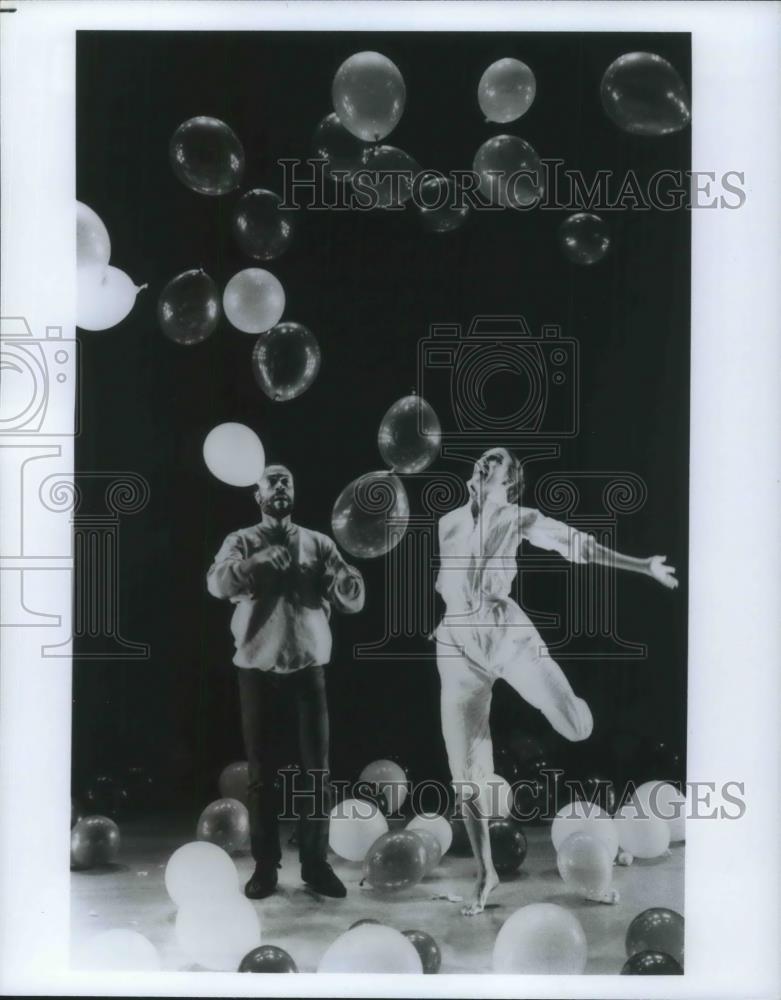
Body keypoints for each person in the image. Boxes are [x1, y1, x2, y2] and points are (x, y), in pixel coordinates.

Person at [435, 447, 678, 915]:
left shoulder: (517, 516)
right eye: (484, 456)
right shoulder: (447, 523)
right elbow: (450, 580)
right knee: (463, 773)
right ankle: (487, 872)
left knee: (576, 727)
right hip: (456, 646)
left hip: (506, 633)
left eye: (498, 460)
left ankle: (572, 706)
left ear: (510, 482)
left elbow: (577, 545)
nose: (486, 460)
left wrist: (641, 565)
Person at [207, 463, 365, 899]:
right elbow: (216, 583)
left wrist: (350, 585)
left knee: (317, 775)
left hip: (307, 673)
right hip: (257, 674)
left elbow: (351, 596)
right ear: (257, 495)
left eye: (287, 481)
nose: (280, 486)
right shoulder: (240, 540)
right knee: (262, 777)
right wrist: (254, 562)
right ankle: (266, 867)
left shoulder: (319, 543)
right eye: (272, 481)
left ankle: (315, 866)